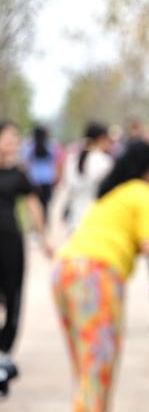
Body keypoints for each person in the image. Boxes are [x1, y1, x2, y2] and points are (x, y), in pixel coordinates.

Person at [53, 141, 149, 412]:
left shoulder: (113, 193)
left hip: (65, 269)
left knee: (86, 367)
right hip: (95, 274)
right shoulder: (143, 191)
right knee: (99, 366)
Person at [0, 121, 52, 374]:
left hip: (10, 243)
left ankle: (4, 351)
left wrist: (44, 238)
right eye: (9, 138)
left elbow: (33, 205)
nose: (14, 143)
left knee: (13, 298)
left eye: (15, 138)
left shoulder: (19, 173)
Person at [58, 122, 114, 230]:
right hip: (97, 221)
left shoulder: (72, 160)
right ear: (101, 138)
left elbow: (67, 186)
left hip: (75, 220)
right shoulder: (104, 161)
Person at [21, 124, 63, 223]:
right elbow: (57, 163)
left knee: (34, 204)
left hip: (33, 179)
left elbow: (25, 164)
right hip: (47, 179)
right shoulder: (51, 146)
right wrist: (57, 177)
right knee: (45, 204)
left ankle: (35, 224)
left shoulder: (29, 147)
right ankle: (44, 224)